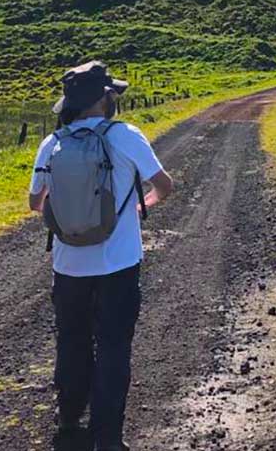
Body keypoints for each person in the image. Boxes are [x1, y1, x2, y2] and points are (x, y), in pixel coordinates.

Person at [28, 61, 174, 451]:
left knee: (71, 341)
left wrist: (72, 214)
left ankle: (70, 422)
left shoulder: (52, 142)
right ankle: (108, 437)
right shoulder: (126, 136)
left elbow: (35, 202)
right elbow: (165, 185)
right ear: (105, 98)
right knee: (113, 344)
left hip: (67, 264)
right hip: (119, 264)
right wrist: (137, 207)